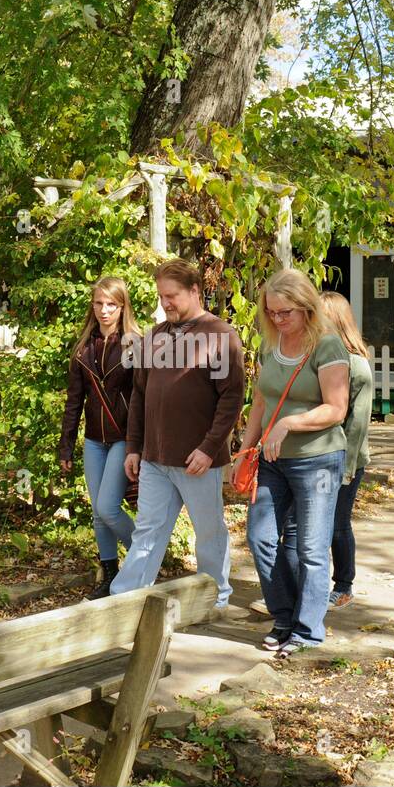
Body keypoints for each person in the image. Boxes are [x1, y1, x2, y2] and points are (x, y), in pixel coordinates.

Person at [106, 259, 245, 608]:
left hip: (198, 460)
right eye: (161, 297)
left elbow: (232, 398)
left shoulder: (220, 335)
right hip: (154, 458)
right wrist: (134, 447)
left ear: (195, 290)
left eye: (172, 296)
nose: (165, 303)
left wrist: (209, 448)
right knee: (147, 532)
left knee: (209, 534)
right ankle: (125, 600)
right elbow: (140, 394)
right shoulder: (154, 337)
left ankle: (214, 598)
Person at [242, 270, 350, 659]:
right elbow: (260, 400)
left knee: (311, 548)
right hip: (272, 460)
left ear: (306, 308)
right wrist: (245, 447)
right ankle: (284, 616)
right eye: (270, 312)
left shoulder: (327, 347)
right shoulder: (270, 345)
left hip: (317, 459)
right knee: (260, 537)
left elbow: (336, 410)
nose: (277, 320)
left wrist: (290, 423)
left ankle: (307, 633)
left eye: (285, 312)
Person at [280, 292, 372, 611]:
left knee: (336, 524)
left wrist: (346, 468)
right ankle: (299, 589)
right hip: (310, 458)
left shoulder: (357, 366)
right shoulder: (316, 358)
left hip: (344, 461)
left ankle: (343, 585)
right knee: (300, 524)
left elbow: (357, 423)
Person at [59, 277, 141, 600]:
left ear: (122, 307)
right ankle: (109, 574)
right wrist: (66, 445)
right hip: (93, 440)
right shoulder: (83, 349)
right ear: (92, 307)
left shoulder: (135, 345)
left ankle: (142, 551)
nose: (104, 310)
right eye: (99, 304)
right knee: (98, 511)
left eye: (111, 304)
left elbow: (141, 398)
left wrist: (138, 444)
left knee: (108, 508)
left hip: (123, 438)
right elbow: (73, 401)